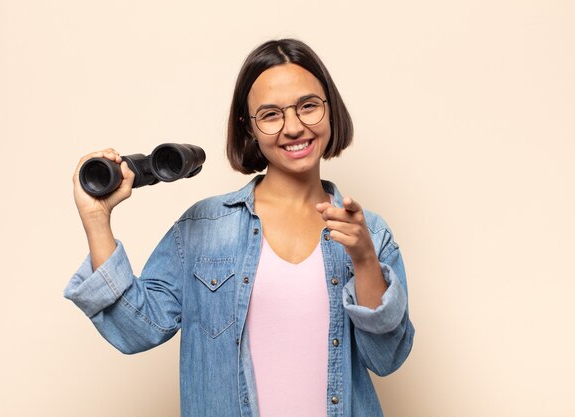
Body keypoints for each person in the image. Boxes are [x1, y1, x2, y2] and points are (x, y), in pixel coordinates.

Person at [65, 38, 414, 417]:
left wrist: (363, 260)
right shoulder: (204, 229)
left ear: (330, 110)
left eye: (308, 106)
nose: (294, 127)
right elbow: (136, 330)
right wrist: (97, 221)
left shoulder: (370, 234)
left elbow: (387, 358)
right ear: (248, 128)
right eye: (270, 114)